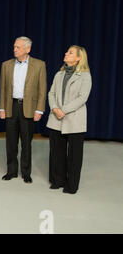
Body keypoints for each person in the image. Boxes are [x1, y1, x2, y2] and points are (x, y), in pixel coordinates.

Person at [0, 36, 47, 183]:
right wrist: (1, 108)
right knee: (11, 142)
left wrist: (39, 110)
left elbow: (42, 89)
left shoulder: (39, 65)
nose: (14, 49)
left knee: (26, 142)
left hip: (29, 108)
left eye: (18, 47)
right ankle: (11, 171)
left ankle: (26, 172)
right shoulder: (6, 65)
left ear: (28, 49)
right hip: (11, 106)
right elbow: (3, 89)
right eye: (14, 47)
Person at [46, 45, 92, 194]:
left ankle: (71, 185)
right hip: (56, 118)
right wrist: (54, 109)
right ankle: (58, 180)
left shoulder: (85, 76)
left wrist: (63, 110)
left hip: (74, 119)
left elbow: (82, 98)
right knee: (57, 152)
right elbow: (51, 93)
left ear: (79, 58)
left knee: (74, 155)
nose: (66, 54)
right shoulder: (59, 74)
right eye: (66, 51)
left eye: (70, 52)